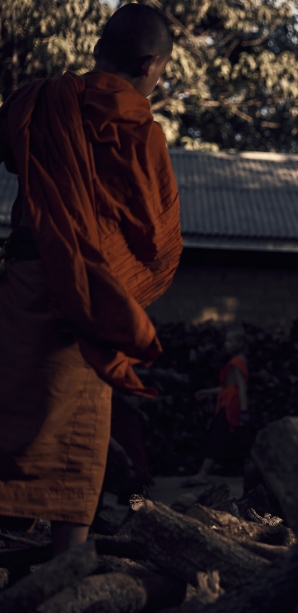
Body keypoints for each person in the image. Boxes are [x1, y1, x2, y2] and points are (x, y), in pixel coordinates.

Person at [0, 4, 181, 555]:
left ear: (100, 50)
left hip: (26, 282)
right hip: (90, 298)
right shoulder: (137, 128)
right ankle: (66, 562)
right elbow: (154, 232)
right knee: (75, 436)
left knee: (9, 414)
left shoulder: (39, 101)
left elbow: (10, 155)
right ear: (152, 64)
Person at [185, 328, 250, 486]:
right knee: (230, 436)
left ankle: (203, 474)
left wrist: (243, 410)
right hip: (228, 401)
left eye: (231, 341)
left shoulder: (237, 362)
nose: (227, 344)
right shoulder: (237, 361)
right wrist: (209, 392)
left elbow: (241, 388)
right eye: (227, 340)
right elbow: (229, 387)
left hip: (230, 406)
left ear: (240, 344)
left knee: (217, 435)